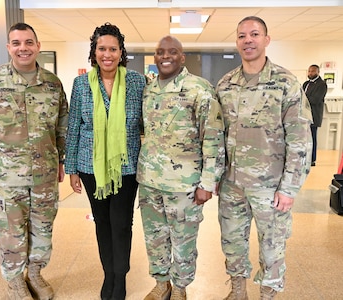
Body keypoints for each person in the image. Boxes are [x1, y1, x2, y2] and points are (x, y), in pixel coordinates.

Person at [0, 22, 68, 300]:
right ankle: (15, 281)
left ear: (38, 46)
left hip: (44, 176)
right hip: (6, 177)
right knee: (12, 234)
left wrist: (60, 161)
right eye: (17, 43)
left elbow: (61, 127)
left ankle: (34, 273)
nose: (23, 48)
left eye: (29, 42)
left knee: (43, 231)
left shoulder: (52, 84)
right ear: (9, 47)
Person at [215, 16, 312, 299]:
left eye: (254, 34)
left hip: (271, 187)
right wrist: (217, 175)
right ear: (237, 42)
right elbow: (216, 135)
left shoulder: (285, 83)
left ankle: (267, 295)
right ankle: (237, 292)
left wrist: (289, 188)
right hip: (232, 186)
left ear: (266, 40)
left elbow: (300, 139)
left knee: (272, 247)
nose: (248, 40)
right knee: (232, 242)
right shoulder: (225, 84)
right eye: (242, 35)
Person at [137, 35, 225, 300]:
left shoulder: (199, 88)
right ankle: (161, 283)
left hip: (185, 185)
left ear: (182, 57)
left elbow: (213, 137)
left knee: (183, 242)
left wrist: (207, 183)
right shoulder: (149, 89)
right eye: (160, 51)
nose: (166, 56)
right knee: (155, 239)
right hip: (150, 181)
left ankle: (180, 288)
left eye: (172, 51)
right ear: (155, 56)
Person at [64, 23, 145, 300]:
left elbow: (146, 124)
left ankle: (120, 277)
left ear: (121, 52)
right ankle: (108, 274)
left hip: (127, 166)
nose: (107, 54)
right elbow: (74, 125)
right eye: (102, 48)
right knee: (102, 222)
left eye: (113, 49)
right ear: (94, 52)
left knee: (121, 223)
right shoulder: (81, 84)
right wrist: (71, 168)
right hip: (90, 165)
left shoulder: (137, 82)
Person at [303, 64, 327, 167]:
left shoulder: (322, 84)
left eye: (313, 71)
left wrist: (304, 99)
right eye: (309, 71)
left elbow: (315, 99)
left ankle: (312, 159)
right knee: (304, 138)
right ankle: (304, 157)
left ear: (318, 72)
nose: (310, 73)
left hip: (314, 115)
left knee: (312, 137)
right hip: (303, 115)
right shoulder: (305, 84)